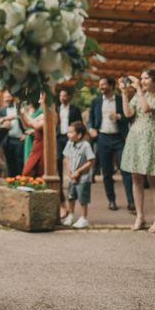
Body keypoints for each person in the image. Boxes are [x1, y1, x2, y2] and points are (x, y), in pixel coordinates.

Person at [119, 69, 155, 233]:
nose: (142, 81)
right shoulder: (139, 94)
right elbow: (128, 113)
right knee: (136, 178)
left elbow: (147, 109)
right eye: (141, 78)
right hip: (135, 137)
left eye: (146, 78)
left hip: (150, 137)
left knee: (153, 179)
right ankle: (140, 216)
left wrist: (139, 91)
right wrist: (124, 94)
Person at [88, 77, 135, 212]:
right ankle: (111, 200)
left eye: (103, 84)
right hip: (102, 138)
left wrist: (119, 116)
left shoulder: (121, 100)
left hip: (119, 139)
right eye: (100, 84)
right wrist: (91, 129)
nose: (101, 87)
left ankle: (131, 201)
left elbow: (130, 116)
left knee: (126, 170)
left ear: (111, 85)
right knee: (107, 172)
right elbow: (90, 119)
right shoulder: (96, 102)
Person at [61, 121, 95, 229]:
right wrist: (69, 171)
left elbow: (90, 161)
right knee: (71, 196)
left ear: (79, 135)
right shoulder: (69, 143)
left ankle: (83, 218)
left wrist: (78, 172)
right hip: (72, 177)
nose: (68, 134)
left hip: (83, 178)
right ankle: (70, 215)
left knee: (82, 198)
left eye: (71, 132)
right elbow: (66, 157)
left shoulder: (86, 145)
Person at [57, 87, 82, 217]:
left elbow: (80, 125)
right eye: (61, 96)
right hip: (59, 137)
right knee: (57, 162)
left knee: (72, 162)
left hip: (70, 139)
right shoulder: (56, 109)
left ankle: (72, 185)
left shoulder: (75, 109)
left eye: (65, 96)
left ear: (69, 97)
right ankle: (60, 188)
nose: (62, 98)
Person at [0, 91, 25, 177]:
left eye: (8, 97)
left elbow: (23, 119)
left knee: (19, 162)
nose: (7, 99)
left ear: (12, 97)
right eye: (5, 97)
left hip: (19, 139)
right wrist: (4, 124)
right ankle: (11, 181)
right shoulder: (2, 110)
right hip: (7, 140)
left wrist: (25, 134)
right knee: (9, 163)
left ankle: (20, 181)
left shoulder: (18, 107)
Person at [21, 93, 45, 177]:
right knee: (28, 171)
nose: (39, 101)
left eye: (41, 99)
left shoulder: (50, 115)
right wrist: (22, 114)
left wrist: (26, 113)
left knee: (36, 171)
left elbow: (36, 125)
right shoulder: (42, 115)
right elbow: (28, 125)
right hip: (36, 145)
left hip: (43, 146)